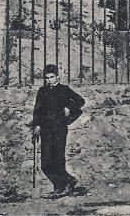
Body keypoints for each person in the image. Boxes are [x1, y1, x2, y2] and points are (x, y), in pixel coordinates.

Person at [29, 64, 85, 196]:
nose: (49, 80)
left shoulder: (64, 89)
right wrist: (37, 125)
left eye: (52, 77)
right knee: (46, 162)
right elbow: (37, 109)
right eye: (47, 78)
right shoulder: (42, 91)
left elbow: (80, 101)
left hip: (59, 129)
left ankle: (59, 188)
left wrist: (69, 109)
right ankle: (69, 180)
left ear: (57, 77)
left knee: (58, 159)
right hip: (46, 130)